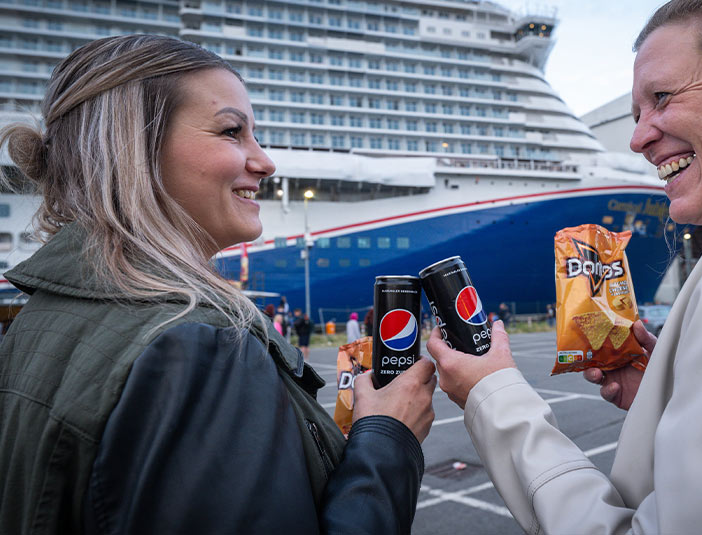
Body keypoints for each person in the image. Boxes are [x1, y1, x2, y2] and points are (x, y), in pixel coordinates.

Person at [427, 1, 702, 533]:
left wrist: (494, 394)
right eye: (637, 113)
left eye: (662, 98)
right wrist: (672, 399)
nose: (638, 137)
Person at [0, 34, 437, 534]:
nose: (266, 162)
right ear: (134, 151)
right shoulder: (196, 345)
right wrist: (388, 436)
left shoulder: (40, 314)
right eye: (232, 131)